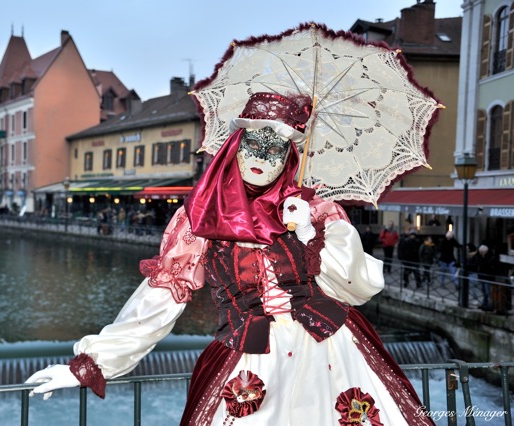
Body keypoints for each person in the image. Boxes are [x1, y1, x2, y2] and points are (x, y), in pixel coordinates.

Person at [25, 92, 433, 425]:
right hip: (250, 358)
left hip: (335, 351)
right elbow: (162, 298)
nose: (262, 157)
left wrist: (310, 231)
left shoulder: (318, 211)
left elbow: (357, 287)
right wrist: (90, 364)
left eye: (275, 150)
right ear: (234, 148)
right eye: (253, 144)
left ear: (289, 157)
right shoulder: (202, 218)